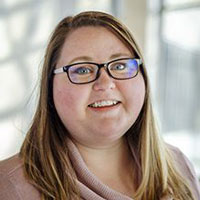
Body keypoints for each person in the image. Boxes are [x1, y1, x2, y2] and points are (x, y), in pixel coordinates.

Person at [0, 11, 199, 200]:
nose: (104, 84)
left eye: (120, 65)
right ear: (50, 86)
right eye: (82, 69)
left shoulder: (179, 165)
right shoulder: (9, 187)